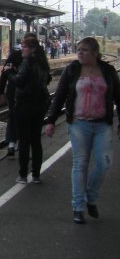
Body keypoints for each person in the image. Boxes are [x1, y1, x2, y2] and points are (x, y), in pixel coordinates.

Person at [44, 36, 120, 224]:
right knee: (80, 164)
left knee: (104, 163)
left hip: (103, 124)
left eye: (84, 50)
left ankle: (91, 197)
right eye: (79, 49)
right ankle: (78, 207)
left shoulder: (108, 71)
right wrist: (51, 120)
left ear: (95, 53)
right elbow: (60, 95)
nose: (80, 53)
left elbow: (118, 96)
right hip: (79, 124)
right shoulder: (72, 70)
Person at [5, 33, 51, 184]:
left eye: (24, 47)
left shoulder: (27, 62)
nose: (22, 49)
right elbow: (47, 79)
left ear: (32, 49)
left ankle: (23, 175)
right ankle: (36, 174)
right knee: (36, 140)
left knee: (24, 141)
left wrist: (9, 73)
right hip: (40, 105)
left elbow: (19, 81)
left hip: (25, 105)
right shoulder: (43, 63)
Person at [0, 42, 24, 156]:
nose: (24, 49)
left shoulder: (34, 58)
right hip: (15, 92)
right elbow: (5, 72)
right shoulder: (17, 56)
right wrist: (0, 91)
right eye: (24, 46)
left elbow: (5, 72)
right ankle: (14, 143)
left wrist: (0, 91)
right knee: (13, 115)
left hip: (23, 93)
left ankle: (14, 142)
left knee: (15, 116)